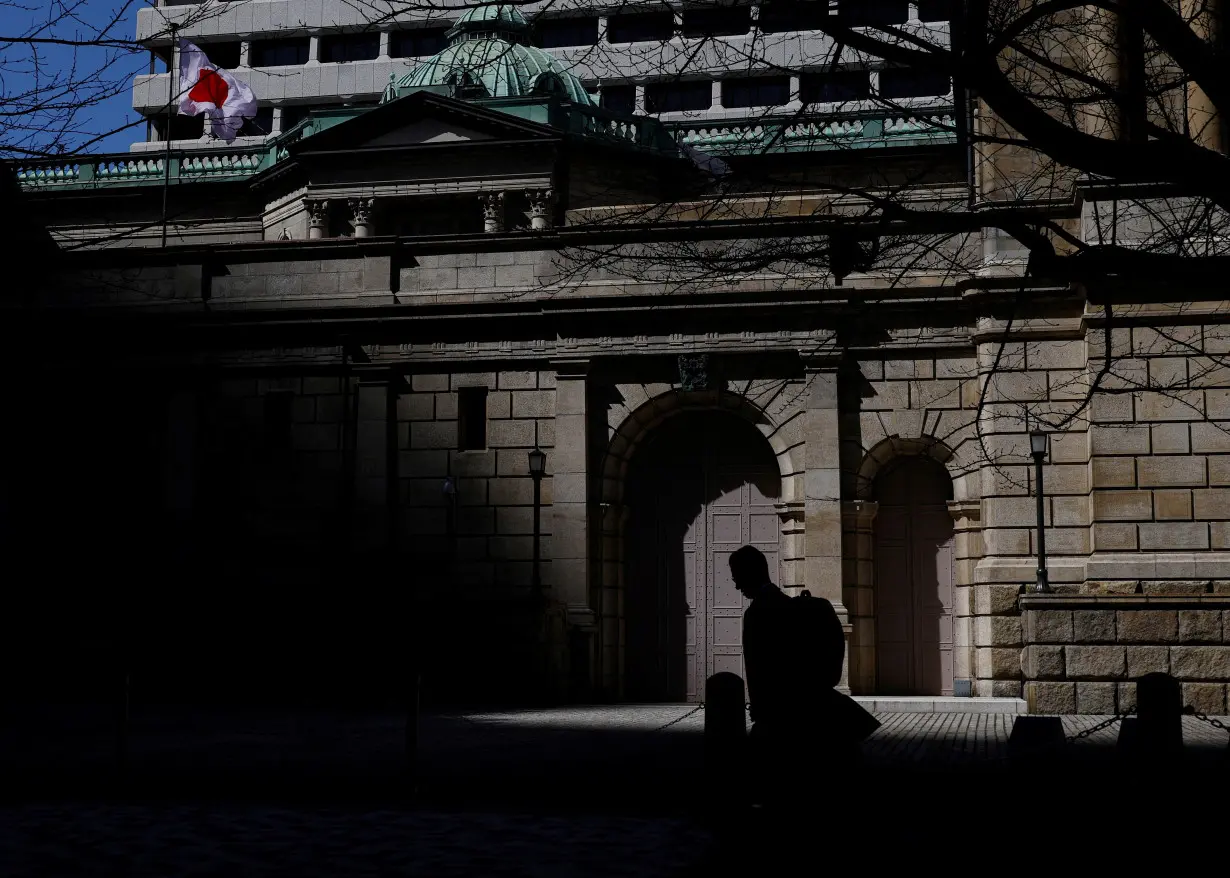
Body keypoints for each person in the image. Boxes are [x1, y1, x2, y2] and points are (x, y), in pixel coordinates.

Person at [730, 545, 872, 806]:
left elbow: (759, 671)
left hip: (780, 716)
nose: (736, 585)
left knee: (777, 789)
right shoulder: (794, 608)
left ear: (750, 573)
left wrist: (760, 712)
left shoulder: (757, 614)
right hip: (811, 710)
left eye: (737, 576)